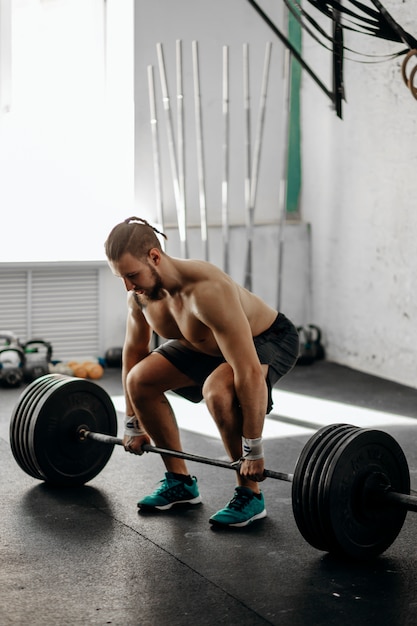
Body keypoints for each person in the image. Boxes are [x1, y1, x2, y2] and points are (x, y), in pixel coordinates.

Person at [104, 217, 299, 527]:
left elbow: (247, 370)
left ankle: (250, 493)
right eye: (121, 278)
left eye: (131, 275)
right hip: (202, 346)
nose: (128, 286)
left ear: (155, 256)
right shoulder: (140, 297)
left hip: (267, 338)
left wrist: (253, 450)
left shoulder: (207, 290)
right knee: (139, 381)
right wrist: (132, 422)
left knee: (218, 391)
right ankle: (180, 483)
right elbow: (135, 353)